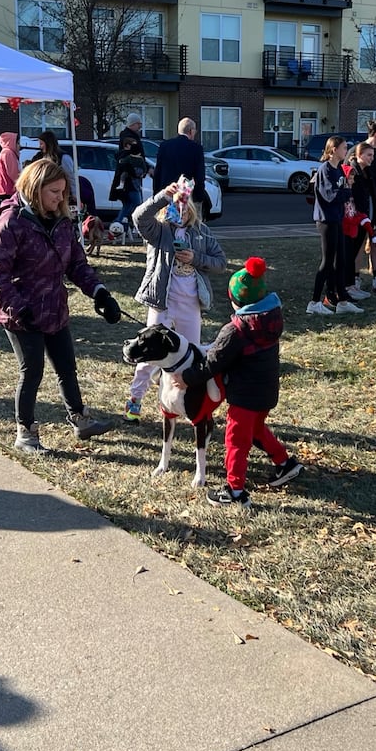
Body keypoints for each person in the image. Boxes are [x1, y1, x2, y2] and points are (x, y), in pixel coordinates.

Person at [0, 158, 118, 452]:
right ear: (35, 189)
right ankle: (26, 434)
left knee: (67, 366)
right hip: (22, 314)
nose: (60, 199)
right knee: (32, 370)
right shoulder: (11, 223)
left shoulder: (62, 222)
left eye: (62, 192)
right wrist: (18, 308)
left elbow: (77, 264)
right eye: (54, 192)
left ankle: (80, 420)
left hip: (54, 308)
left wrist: (99, 293)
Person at [180, 256, 302, 508]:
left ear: (236, 299)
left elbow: (213, 362)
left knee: (236, 440)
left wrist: (188, 378)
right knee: (256, 429)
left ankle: (235, 490)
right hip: (266, 392)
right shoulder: (271, 318)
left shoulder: (235, 330)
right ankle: (284, 462)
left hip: (244, 397)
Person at [124, 177, 227, 423]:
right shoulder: (159, 231)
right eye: (175, 207)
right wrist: (163, 195)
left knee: (190, 356)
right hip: (163, 302)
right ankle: (135, 400)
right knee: (147, 355)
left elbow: (220, 263)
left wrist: (195, 257)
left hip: (190, 304)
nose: (180, 212)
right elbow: (139, 217)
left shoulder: (201, 232)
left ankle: (184, 401)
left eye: (184, 207)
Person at [307, 136, 361, 315]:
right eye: (344, 148)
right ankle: (314, 302)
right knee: (327, 262)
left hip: (337, 218)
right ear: (333, 150)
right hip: (326, 220)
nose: (346, 151)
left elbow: (344, 192)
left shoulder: (338, 169)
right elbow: (331, 196)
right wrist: (346, 191)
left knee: (341, 261)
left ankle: (343, 301)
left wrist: (345, 191)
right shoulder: (325, 170)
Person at [341, 141, 376, 300]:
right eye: (369, 155)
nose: (371, 158)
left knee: (353, 253)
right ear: (359, 155)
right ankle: (346, 286)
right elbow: (349, 198)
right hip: (353, 220)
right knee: (348, 254)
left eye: (373, 155)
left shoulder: (366, 172)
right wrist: (357, 217)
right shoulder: (352, 171)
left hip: (362, 218)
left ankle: (351, 285)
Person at [153, 117, 209, 215]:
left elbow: (158, 172)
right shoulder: (196, 148)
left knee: (165, 226)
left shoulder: (165, 146)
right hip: (187, 196)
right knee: (190, 227)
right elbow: (199, 176)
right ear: (191, 131)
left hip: (167, 194)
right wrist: (199, 197)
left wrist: (157, 194)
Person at [111, 134, 149, 235]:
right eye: (133, 145)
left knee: (127, 206)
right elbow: (133, 171)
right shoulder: (127, 157)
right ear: (127, 146)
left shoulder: (123, 156)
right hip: (131, 186)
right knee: (138, 206)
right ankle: (135, 226)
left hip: (126, 187)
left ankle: (118, 224)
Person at [0, 131, 22, 206]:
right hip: (5, 191)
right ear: (12, 143)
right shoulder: (8, 153)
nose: (19, 146)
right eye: (17, 143)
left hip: (3, 191)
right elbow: (13, 174)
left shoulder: (6, 152)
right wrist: (22, 185)